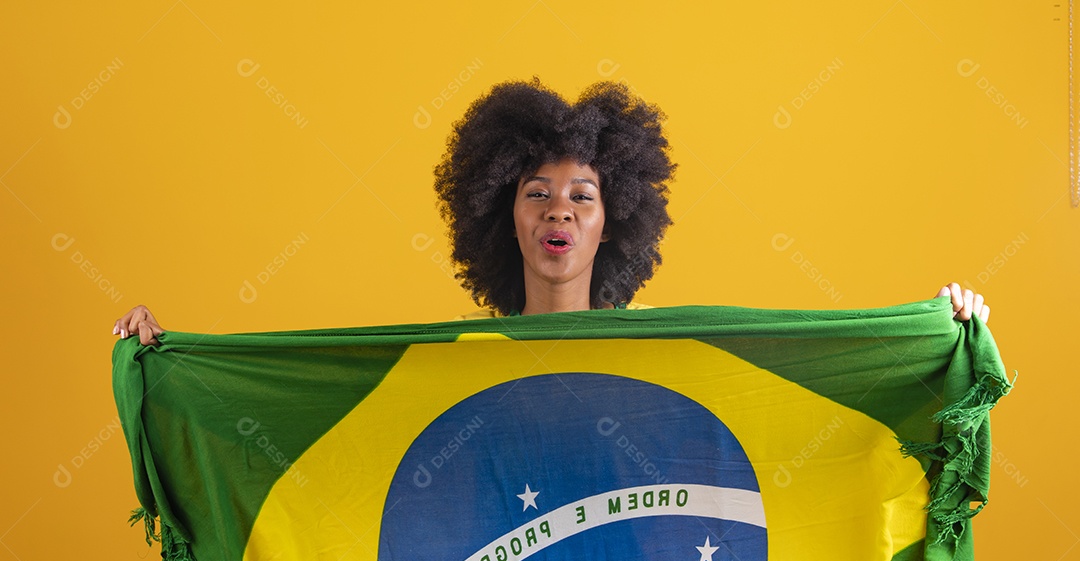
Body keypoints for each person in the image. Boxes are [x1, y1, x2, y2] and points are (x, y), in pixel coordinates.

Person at [112, 79, 989, 343]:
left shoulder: (666, 361)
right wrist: (171, 358)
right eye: (536, 194)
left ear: (615, 220)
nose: (559, 212)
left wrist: (937, 332)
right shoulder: (457, 365)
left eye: (582, 194)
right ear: (505, 217)